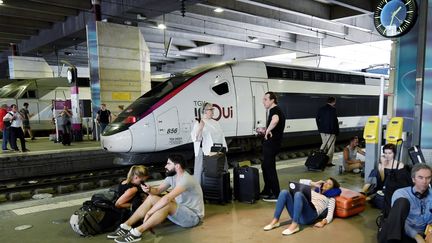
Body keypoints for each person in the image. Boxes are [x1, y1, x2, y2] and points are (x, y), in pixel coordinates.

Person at [107, 154, 204, 243]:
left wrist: (149, 213)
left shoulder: (186, 179)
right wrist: (148, 189)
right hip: (179, 212)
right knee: (151, 197)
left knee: (167, 203)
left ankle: (137, 232)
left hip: (192, 218)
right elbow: (157, 191)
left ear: (177, 166)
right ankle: (126, 226)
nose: (166, 166)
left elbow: (167, 198)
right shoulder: (172, 177)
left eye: (168, 164)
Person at [263, 177, 341, 235]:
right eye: (326, 182)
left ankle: (294, 225)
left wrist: (323, 223)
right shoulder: (314, 190)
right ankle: (275, 221)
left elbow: (330, 215)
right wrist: (313, 183)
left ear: (332, 188)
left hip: (309, 217)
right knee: (284, 192)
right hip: (297, 214)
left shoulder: (330, 198)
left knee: (298, 194)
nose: (326, 184)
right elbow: (301, 181)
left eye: (329, 184)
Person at [378, 163, 432, 243]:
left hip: (423, 234)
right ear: (413, 179)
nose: (424, 181)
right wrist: (416, 236)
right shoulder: (401, 193)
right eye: (420, 177)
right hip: (400, 233)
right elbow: (396, 221)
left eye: (428, 178)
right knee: (402, 202)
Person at [190, 102, 228, 184]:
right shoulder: (199, 123)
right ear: (204, 111)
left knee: (221, 169)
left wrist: (224, 149)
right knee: (203, 172)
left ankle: (222, 187)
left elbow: (221, 137)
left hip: (219, 150)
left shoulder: (216, 122)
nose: (213, 111)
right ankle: (201, 190)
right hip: (207, 153)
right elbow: (196, 138)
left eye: (212, 109)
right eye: (211, 109)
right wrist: (200, 127)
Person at [261, 91, 286, 202]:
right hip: (272, 144)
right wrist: (266, 130)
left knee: (269, 168)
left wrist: (267, 131)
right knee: (265, 166)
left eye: (265, 99)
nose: (263, 101)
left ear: (272, 100)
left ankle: (276, 194)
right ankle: (267, 190)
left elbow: (275, 120)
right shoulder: (275, 110)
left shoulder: (274, 110)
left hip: (272, 144)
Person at [315, 96, 339, 166]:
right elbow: (334, 121)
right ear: (334, 102)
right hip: (331, 131)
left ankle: (319, 159)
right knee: (330, 147)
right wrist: (336, 131)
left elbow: (317, 118)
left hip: (322, 130)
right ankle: (328, 162)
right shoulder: (333, 110)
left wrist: (319, 128)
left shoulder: (321, 109)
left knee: (324, 144)